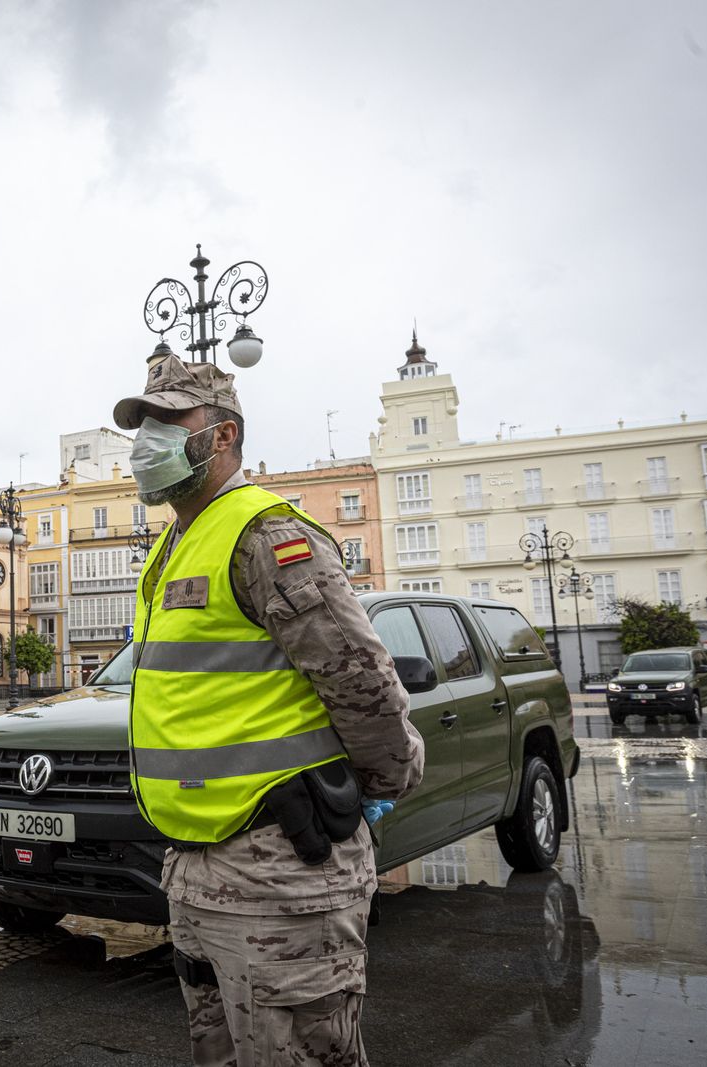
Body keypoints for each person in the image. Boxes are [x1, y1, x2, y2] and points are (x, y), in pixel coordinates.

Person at [113, 352, 426, 1066]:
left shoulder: (267, 536)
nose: (146, 441)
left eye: (167, 421)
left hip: (282, 870)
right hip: (196, 870)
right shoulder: (174, 546)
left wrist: (377, 784)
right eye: (142, 424)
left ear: (222, 435)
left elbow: (362, 682)